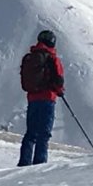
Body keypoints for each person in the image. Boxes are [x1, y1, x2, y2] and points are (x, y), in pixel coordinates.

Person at [18, 30, 64, 166]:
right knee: (44, 134)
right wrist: (60, 91)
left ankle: (24, 162)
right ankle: (39, 163)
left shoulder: (30, 57)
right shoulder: (52, 58)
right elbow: (59, 79)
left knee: (31, 133)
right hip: (48, 98)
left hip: (32, 98)